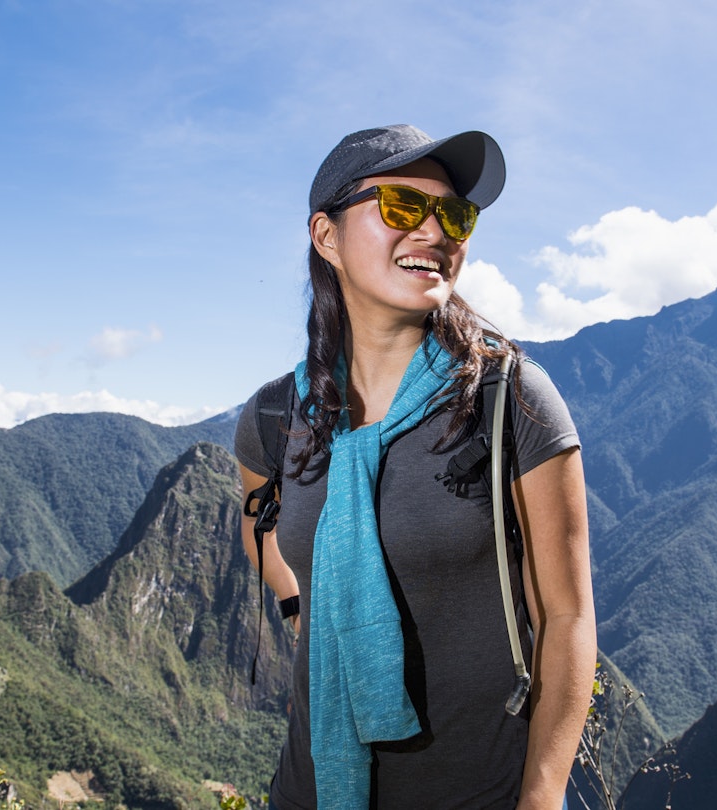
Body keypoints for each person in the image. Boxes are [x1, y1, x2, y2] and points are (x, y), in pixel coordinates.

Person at [235, 124, 595, 810]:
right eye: (403, 206)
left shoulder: (509, 399)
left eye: (454, 216)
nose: (435, 231)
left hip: (476, 791)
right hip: (313, 787)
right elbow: (263, 533)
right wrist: (302, 614)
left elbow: (569, 616)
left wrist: (542, 799)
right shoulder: (275, 417)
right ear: (326, 236)